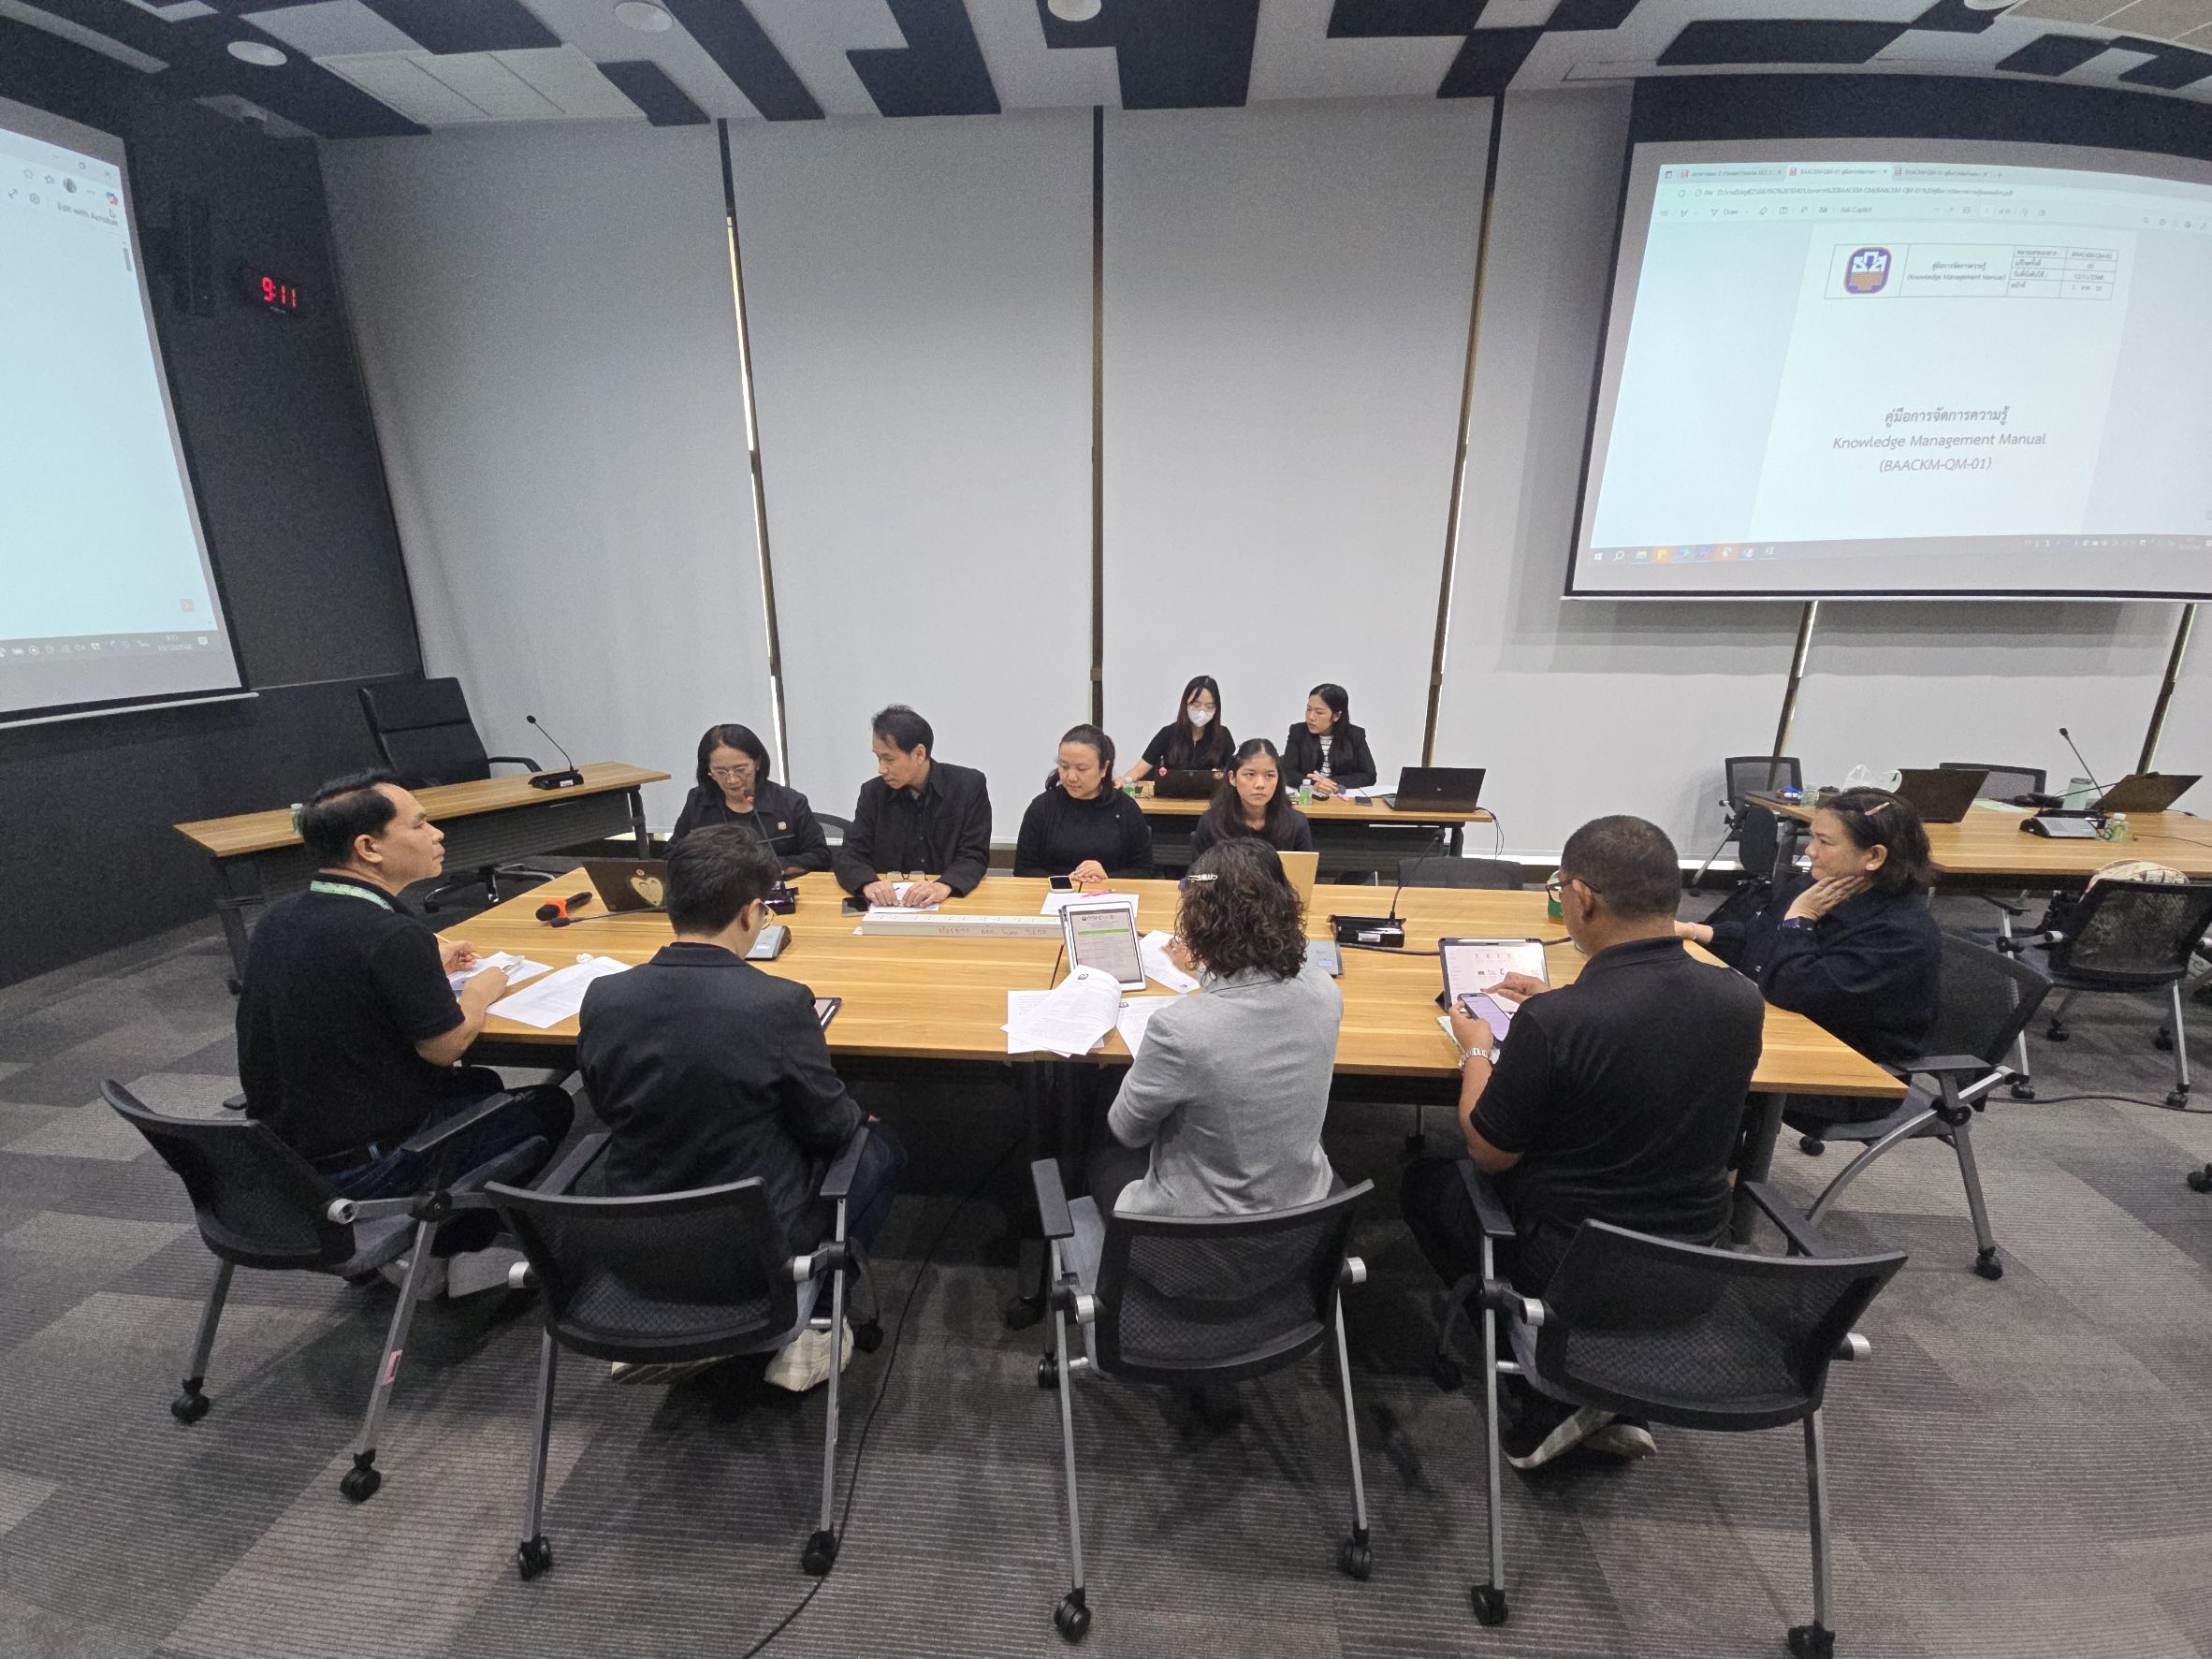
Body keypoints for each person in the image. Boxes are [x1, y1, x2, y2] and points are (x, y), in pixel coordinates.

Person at [1400, 815, 1764, 1469]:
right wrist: (1561, 1003)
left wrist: (1476, 1048)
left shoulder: (1556, 1020)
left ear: (1583, 898)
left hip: (1570, 1262)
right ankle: (1608, 1392)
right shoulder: (1741, 998)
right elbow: (1651, 1041)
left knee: (1424, 1184)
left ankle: (1541, 1384)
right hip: (1694, 1261)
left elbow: (1488, 1151)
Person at [579, 826, 906, 1390]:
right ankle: (816, 1323)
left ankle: (680, 1332)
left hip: (637, 1244)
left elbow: (606, 1106)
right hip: (755, 1250)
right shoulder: (779, 1003)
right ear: (753, 914)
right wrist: (860, 1119)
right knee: (880, 1149)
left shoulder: (603, 997)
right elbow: (829, 1127)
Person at [237, 772, 574, 1273]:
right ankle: (450, 1251)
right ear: (369, 848)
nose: (437, 834)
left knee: (480, 1084)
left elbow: (341, 981)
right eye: (419, 824)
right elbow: (445, 1047)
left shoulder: (280, 918)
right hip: (365, 1172)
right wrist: (480, 992)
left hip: (287, 1162)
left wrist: (420, 968)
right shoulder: (389, 934)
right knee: (551, 1104)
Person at [1088, 838, 1340, 1216]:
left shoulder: (1177, 1030)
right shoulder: (1325, 992)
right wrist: (1206, 971)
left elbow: (1128, 1130)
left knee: (1102, 1157)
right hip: (1301, 1218)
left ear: (1198, 923)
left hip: (1193, 1235)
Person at [1678, 788, 1941, 1126]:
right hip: (1796, 1036)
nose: (1810, 851)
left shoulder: (1900, 933)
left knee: (1691, 1069)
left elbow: (1792, 989)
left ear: (1874, 856)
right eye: (1812, 837)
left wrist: (1800, 921)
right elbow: (1761, 940)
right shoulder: (1819, 887)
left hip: (1852, 1074)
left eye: (1824, 842)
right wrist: (1692, 931)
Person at [832, 705, 992, 906]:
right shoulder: (873, 793)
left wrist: (944, 886)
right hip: (889, 905)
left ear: (919, 754)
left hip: (948, 902)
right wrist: (869, 884)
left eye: (889, 759)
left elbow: (974, 855)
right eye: (878, 758)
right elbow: (849, 855)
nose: (881, 769)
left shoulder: (968, 787)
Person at [668, 722, 831, 877]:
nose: (732, 780)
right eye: (721, 772)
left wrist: (774, 867)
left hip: (775, 887)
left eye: (740, 769)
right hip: (716, 890)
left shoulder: (790, 802)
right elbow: (672, 856)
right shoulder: (697, 802)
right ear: (709, 771)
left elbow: (820, 856)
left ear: (757, 763)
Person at [1014, 724, 1155, 882]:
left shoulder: (1125, 809)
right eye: (1064, 767)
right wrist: (1064, 881)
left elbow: (1145, 870)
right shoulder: (1042, 808)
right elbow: (1023, 869)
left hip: (1111, 893)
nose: (1071, 777)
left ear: (1104, 768)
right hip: (1055, 893)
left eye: (1081, 769)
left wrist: (1107, 877)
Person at [1186, 738, 1316, 861]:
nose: (1260, 784)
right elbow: (1199, 873)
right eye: (1250, 775)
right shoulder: (1211, 821)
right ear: (1232, 778)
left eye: (1269, 775)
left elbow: (1304, 872)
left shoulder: (1296, 823)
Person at [1122, 675, 1234, 783]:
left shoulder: (1223, 736)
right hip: (1171, 794)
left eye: (1209, 707)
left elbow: (1235, 774)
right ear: (1185, 704)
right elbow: (1138, 771)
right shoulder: (1168, 733)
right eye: (1196, 705)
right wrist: (1122, 780)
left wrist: (1221, 775)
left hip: (1211, 795)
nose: (1202, 712)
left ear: (1216, 709)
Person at [1281, 683, 1376, 795]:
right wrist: (1314, 783)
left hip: (1340, 797)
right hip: (1308, 797)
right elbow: (1288, 771)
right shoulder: (1298, 731)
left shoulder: (1355, 735)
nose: (1311, 717)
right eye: (1309, 709)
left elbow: (1369, 775)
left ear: (1337, 716)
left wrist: (1329, 782)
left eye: (1319, 712)